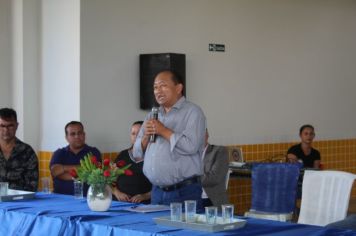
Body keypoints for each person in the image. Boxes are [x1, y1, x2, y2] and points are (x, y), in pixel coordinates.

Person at [133, 70, 206, 210]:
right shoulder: (152, 115)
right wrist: (146, 137)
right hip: (156, 191)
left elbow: (191, 146)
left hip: (183, 192)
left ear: (178, 88)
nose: (158, 91)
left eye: (163, 86)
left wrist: (163, 131)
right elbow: (137, 153)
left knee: (182, 232)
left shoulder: (193, 112)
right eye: (155, 87)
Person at [50, 121, 101, 195]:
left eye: (79, 133)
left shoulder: (93, 152)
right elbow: (54, 172)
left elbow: (94, 173)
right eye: (72, 134)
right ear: (67, 138)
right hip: (60, 199)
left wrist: (63, 169)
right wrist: (82, 170)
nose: (77, 136)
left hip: (87, 199)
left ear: (84, 135)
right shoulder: (59, 153)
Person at [112, 121, 152, 203]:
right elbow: (109, 180)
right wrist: (117, 193)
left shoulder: (153, 156)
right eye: (133, 134)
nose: (136, 136)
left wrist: (145, 196)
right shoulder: (122, 154)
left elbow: (160, 187)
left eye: (139, 133)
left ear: (147, 135)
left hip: (144, 204)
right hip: (120, 202)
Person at [0, 108, 39, 192]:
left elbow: (32, 185)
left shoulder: (27, 152)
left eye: (10, 125)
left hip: (21, 201)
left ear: (17, 126)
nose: (6, 130)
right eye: (2, 126)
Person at [201, 129, 229, 208]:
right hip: (192, 199)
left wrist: (191, 180)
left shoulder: (219, 151)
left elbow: (214, 178)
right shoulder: (189, 154)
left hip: (211, 200)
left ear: (207, 135)